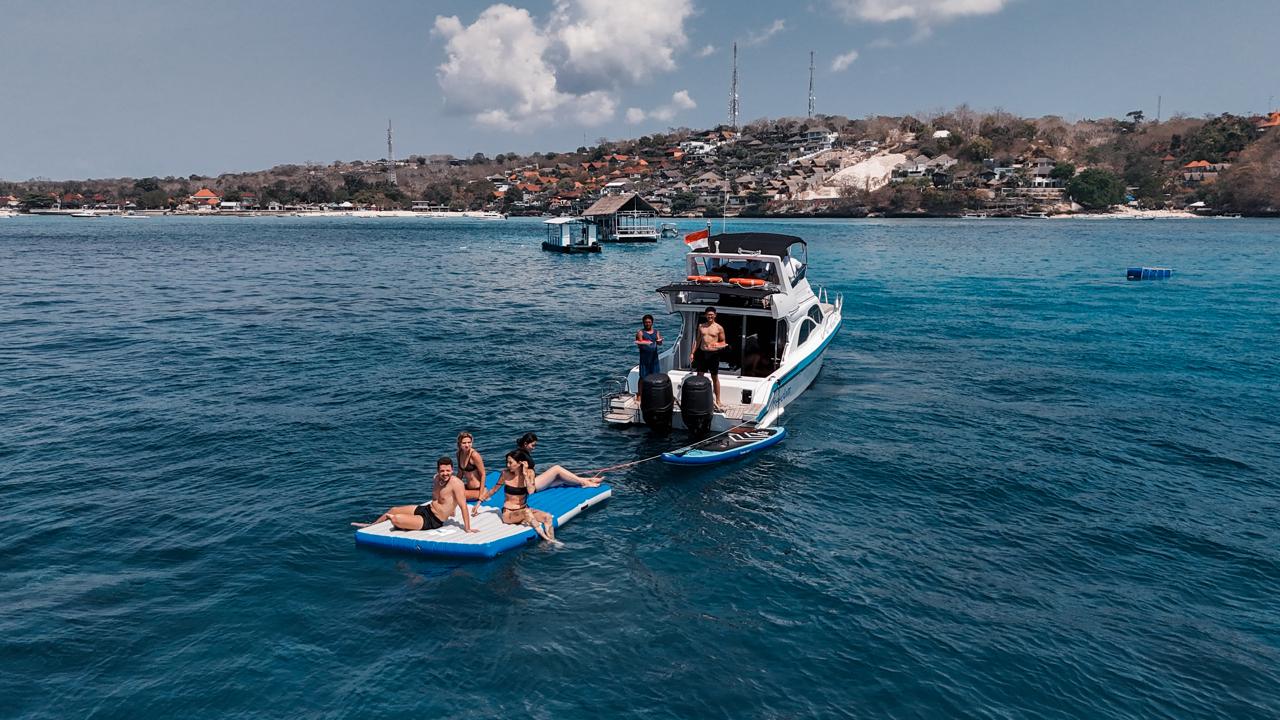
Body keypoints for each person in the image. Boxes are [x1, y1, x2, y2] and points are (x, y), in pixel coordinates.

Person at [354, 457, 477, 533]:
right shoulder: (436, 479)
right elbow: (438, 498)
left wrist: (467, 528)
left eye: (448, 471)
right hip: (426, 509)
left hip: (433, 521)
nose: (445, 473)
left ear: (452, 470)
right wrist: (451, 510)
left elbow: (463, 506)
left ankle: (402, 523)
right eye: (442, 471)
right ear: (437, 471)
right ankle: (371, 525)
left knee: (395, 518)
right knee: (393, 510)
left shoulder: (457, 484)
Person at [473, 450, 556, 543]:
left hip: (524, 509)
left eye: (510, 462)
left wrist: (524, 475)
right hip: (509, 514)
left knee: (547, 517)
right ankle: (547, 539)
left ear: (519, 463)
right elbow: (493, 490)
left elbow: (531, 491)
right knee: (526, 512)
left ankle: (551, 541)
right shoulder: (505, 474)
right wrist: (478, 503)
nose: (507, 465)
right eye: (507, 462)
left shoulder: (530, 473)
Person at [515, 432, 603, 491]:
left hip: (532, 482)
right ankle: (585, 483)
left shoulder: (522, 453)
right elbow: (519, 473)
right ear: (525, 444)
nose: (534, 448)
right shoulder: (520, 455)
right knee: (556, 469)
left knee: (562, 479)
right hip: (531, 486)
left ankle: (588, 480)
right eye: (532, 445)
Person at [690, 306, 728, 410]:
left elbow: (723, 342)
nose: (710, 316)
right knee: (699, 376)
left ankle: (718, 400)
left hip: (713, 355)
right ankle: (699, 399)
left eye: (712, 315)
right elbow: (697, 341)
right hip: (702, 354)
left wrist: (717, 345)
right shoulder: (701, 326)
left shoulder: (719, 328)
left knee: (714, 377)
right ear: (705, 315)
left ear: (715, 315)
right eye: (708, 315)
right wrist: (692, 353)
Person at [634, 314, 663, 398]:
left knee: (655, 376)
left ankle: (653, 394)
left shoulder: (656, 332)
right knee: (642, 377)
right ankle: (639, 394)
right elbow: (639, 344)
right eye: (646, 322)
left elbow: (660, 343)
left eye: (649, 322)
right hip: (645, 358)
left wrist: (659, 341)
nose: (647, 324)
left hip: (654, 358)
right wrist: (646, 343)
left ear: (652, 323)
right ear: (643, 323)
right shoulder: (640, 332)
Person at [455, 431, 486, 501]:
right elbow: (460, 473)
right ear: (459, 444)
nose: (467, 445)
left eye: (469, 442)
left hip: (478, 489)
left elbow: (483, 474)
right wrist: (453, 485)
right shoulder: (458, 454)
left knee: (456, 494)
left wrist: (481, 494)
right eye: (464, 443)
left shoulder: (474, 455)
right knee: (450, 490)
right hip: (467, 487)